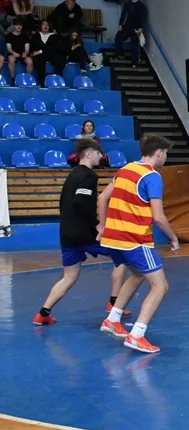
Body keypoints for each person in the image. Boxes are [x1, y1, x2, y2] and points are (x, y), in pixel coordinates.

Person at [33, 139, 133, 326]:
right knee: (122, 257)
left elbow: (65, 204)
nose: (100, 156)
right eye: (98, 153)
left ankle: (42, 314)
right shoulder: (89, 176)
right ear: (88, 153)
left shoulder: (72, 175)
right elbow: (80, 202)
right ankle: (114, 305)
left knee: (69, 277)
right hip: (84, 234)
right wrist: (97, 225)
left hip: (67, 234)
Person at [96, 135, 180, 353]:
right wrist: (173, 238)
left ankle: (113, 319)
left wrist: (102, 227)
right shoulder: (152, 176)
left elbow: (102, 198)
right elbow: (158, 217)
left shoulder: (124, 170)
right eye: (166, 153)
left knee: (138, 274)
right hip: (135, 240)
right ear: (159, 153)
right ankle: (137, 335)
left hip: (113, 239)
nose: (166, 157)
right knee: (160, 286)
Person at [114, 0, 146, 67]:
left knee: (134, 44)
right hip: (127, 25)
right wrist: (120, 24)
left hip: (136, 27)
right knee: (118, 38)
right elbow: (123, 14)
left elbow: (142, 17)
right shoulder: (127, 4)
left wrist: (141, 27)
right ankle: (120, 55)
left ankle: (135, 62)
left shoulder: (141, 5)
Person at [29, 19, 64, 84]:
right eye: (44, 24)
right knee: (40, 60)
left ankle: (57, 79)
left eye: (47, 25)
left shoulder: (54, 36)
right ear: (40, 26)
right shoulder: (35, 36)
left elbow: (53, 48)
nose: (46, 26)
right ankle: (42, 81)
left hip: (51, 54)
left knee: (59, 60)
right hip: (40, 56)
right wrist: (35, 53)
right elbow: (33, 47)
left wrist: (40, 51)